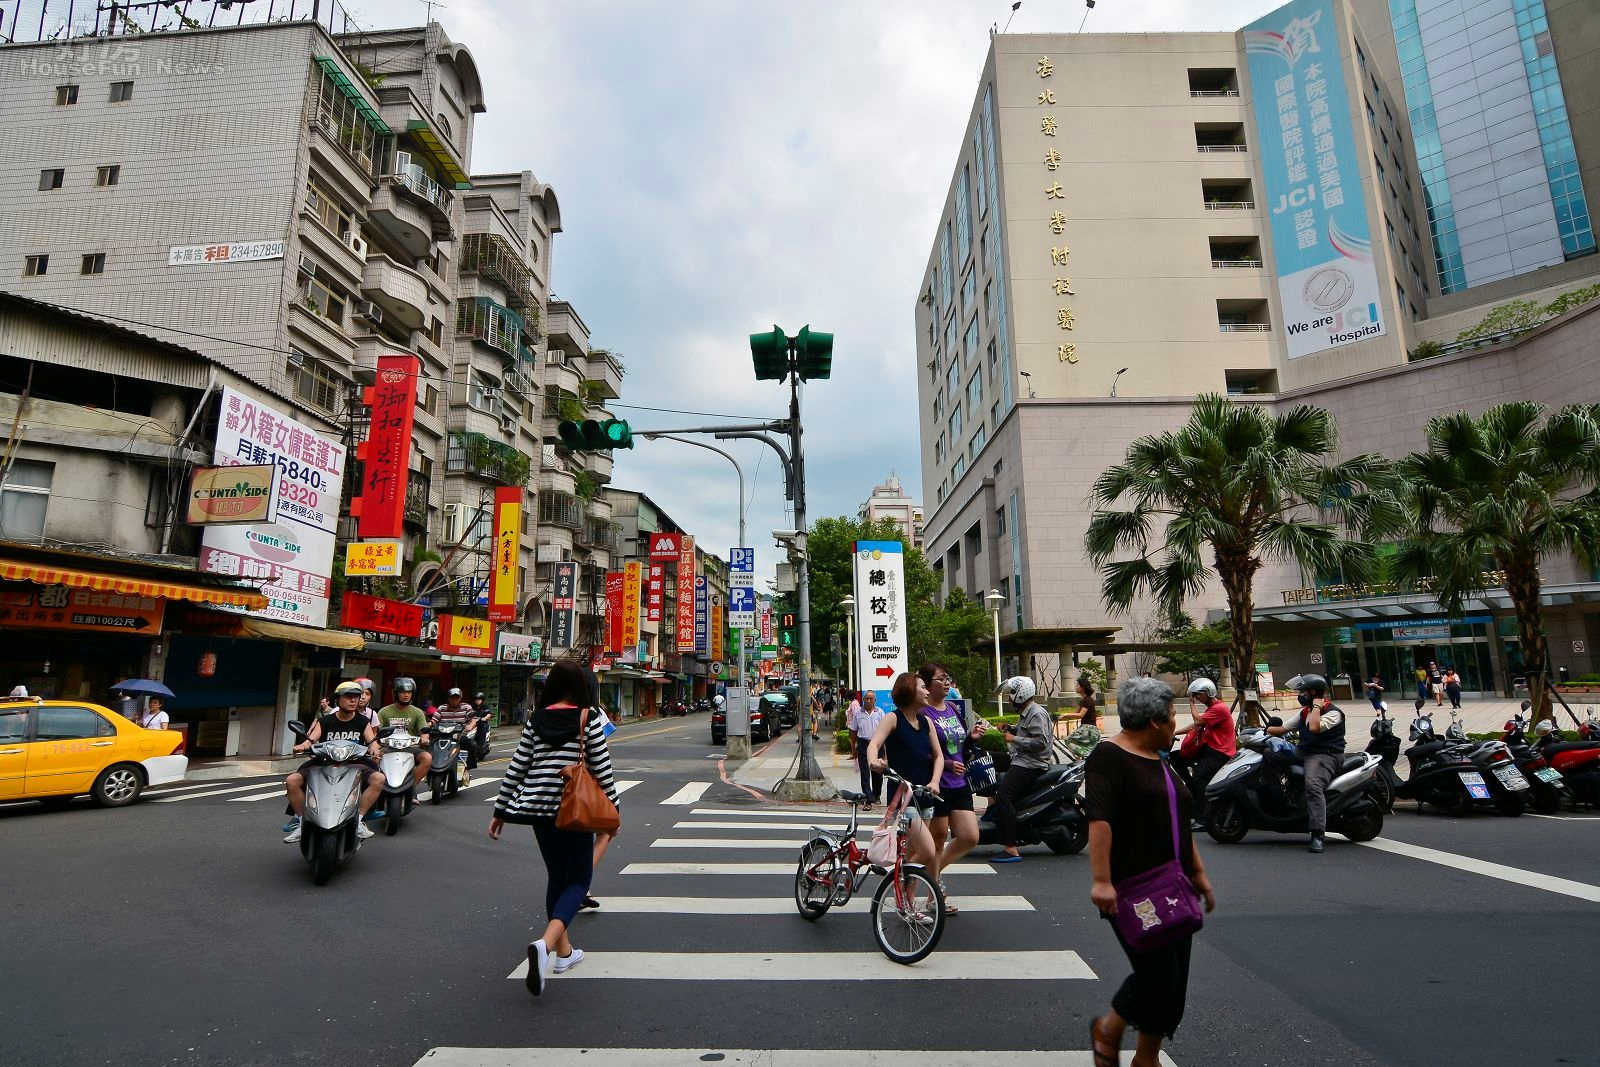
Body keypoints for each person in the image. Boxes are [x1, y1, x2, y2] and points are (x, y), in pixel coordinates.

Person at [1086, 676, 1216, 1067]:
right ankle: (1109, 1030)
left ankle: (1146, 1058)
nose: (1177, 724)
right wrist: (1102, 881)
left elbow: (1177, 817)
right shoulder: (1109, 757)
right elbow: (1100, 822)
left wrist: (1199, 873)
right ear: (1155, 722)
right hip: (1131, 888)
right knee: (1158, 975)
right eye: (1173, 716)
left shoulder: (1162, 760)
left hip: (1174, 883)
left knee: (1173, 981)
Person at [490, 659, 620, 996]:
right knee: (578, 881)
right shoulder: (587, 717)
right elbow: (601, 769)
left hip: (537, 810)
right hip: (573, 809)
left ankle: (564, 953)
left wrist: (500, 810)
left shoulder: (536, 719)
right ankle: (546, 945)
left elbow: (518, 766)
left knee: (557, 879)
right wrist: (613, 811)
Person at [284, 681, 386, 843]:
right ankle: (302, 823)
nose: (353, 700)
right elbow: (311, 740)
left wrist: (374, 749)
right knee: (292, 781)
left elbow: (372, 742)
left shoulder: (362, 722)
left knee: (379, 778)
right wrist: (302, 746)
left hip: (354, 763)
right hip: (323, 763)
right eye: (348, 697)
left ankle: (358, 821)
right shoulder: (325, 721)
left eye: (356, 697)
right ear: (337, 699)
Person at [865, 672, 942, 874]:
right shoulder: (893, 718)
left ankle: (906, 901)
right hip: (903, 799)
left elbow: (938, 756)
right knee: (927, 851)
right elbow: (874, 743)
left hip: (925, 796)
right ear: (909, 689)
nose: (927, 692)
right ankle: (896, 882)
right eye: (923, 687)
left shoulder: (927, 723)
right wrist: (874, 761)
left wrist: (935, 781)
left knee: (914, 855)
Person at [919, 662, 979, 916]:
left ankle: (927, 876)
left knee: (969, 836)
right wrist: (946, 766)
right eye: (941, 679)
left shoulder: (953, 709)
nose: (946, 683)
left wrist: (972, 736)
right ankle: (934, 895)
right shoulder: (923, 714)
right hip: (939, 785)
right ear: (927, 684)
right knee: (939, 838)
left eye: (947, 678)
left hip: (961, 783)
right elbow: (921, 753)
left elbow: (958, 745)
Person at [1266, 673, 1345, 854]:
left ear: (1313, 692)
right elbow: (1284, 728)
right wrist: (1263, 730)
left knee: (1313, 785)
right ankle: (1277, 798)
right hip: (1305, 752)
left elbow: (1314, 728)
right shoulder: (1305, 712)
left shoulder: (1333, 713)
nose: (1299, 695)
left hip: (1326, 755)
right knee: (1270, 755)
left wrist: (1317, 707)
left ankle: (1318, 833)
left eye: (1302, 692)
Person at [988, 676, 1052, 863]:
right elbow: (1026, 731)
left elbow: (1041, 743)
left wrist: (1013, 739)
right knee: (987, 759)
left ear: (1020, 694)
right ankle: (992, 810)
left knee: (1005, 796)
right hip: (1021, 758)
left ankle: (1010, 848)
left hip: (1032, 763)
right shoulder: (1028, 711)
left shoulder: (1037, 713)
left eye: (1011, 695)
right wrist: (1010, 729)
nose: (1009, 699)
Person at [1169, 678, 1236, 828]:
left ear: (1209, 692)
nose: (1197, 698)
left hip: (1220, 752)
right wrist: (1174, 733)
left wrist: (1191, 704)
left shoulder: (1219, 708)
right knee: (1175, 757)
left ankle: (1202, 819)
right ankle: (1193, 790)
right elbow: (1196, 725)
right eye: (1195, 696)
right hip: (1209, 748)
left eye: (1199, 694)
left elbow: (1198, 721)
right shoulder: (1212, 709)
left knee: (1200, 777)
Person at [375, 677, 433, 793]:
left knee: (427, 758)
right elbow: (377, 732)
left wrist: (424, 738)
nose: (406, 695)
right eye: (402, 692)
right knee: (375, 759)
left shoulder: (417, 712)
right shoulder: (384, 711)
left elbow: (424, 731)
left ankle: (411, 789)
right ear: (396, 694)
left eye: (409, 692)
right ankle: (378, 788)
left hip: (410, 748)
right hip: (388, 748)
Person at [850, 690, 884, 807]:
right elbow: (853, 731)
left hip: (877, 745)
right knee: (865, 773)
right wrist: (853, 748)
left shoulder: (880, 713)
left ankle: (876, 795)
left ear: (875, 700)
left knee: (877, 772)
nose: (868, 701)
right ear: (863, 699)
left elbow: (885, 731)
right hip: (863, 744)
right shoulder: (858, 713)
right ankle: (868, 799)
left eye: (871, 699)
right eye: (866, 699)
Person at [435, 688, 483, 769]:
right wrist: (429, 725)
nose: (454, 700)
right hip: (443, 738)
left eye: (456, 698)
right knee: (430, 746)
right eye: (452, 698)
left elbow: (473, 720)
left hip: (459, 737)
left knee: (472, 745)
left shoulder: (466, 707)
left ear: (460, 698)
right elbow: (434, 720)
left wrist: (470, 726)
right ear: (448, 699)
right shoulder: (441, 708)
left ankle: (467, 770)